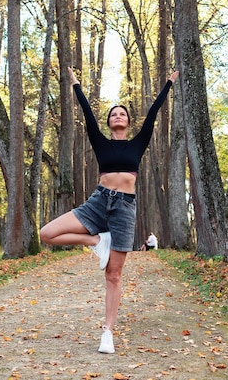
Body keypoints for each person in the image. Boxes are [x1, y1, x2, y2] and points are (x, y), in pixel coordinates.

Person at [40, 67, 179, 354]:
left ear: (128, 122)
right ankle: (96, 241)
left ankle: (108, 332)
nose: (118, 116)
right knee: (47, 233)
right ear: (109, 122)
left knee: (113, 275)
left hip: (124, 209)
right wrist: (75, 84)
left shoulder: (138, 143)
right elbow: (87, 112)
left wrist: (168, 83)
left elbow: (154, 112)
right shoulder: (100, 142)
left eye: (122, 113)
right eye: (113, 113)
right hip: (98, 203)